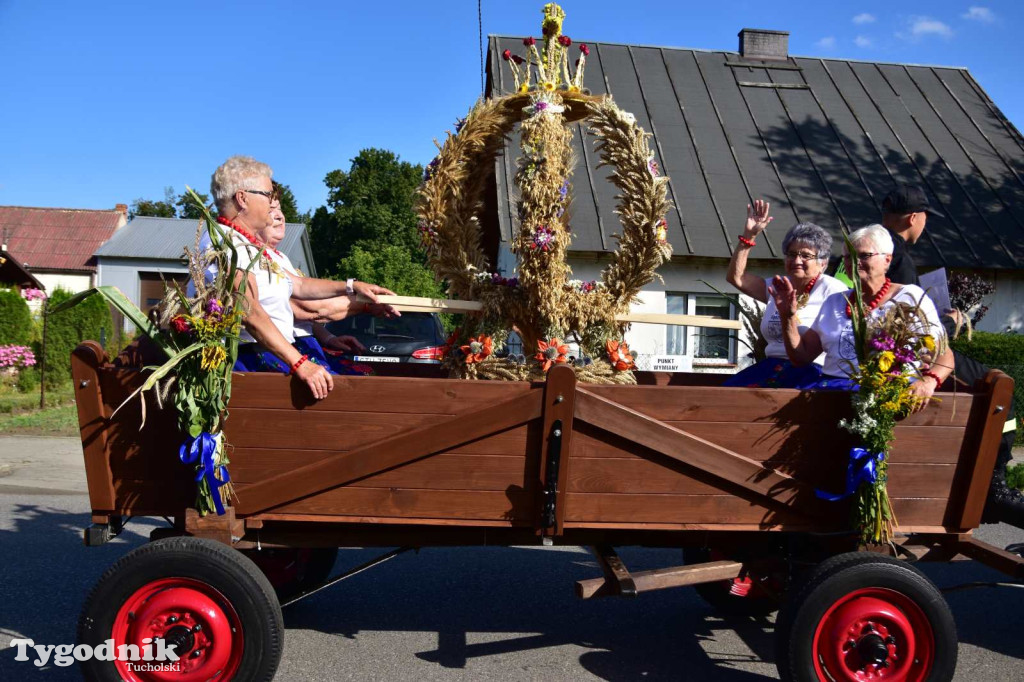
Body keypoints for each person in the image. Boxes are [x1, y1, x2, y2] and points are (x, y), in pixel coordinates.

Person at [880, 185, 1023, 530]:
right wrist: (950, 321)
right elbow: (907, 326)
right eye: (925, 218)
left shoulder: (862, 249)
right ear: (915, 217)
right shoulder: (897, 258)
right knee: (1000, 392)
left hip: (886, 353)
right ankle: (994, 486)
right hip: (908, 357)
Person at [202, 155, 393, 399]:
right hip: (250, 358)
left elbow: (299, 285)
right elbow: (250, 312)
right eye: (268, 195)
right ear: (242, 198)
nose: (273, 203)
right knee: (350, 392)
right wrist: (299, 363)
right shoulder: (226, 243)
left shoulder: (248, 246)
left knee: (361, 385)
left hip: (271, 352)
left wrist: (352, 286)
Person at [771, 224, 954, 412]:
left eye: (864, 255)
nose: (854, 262)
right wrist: (788, 316)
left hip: (889, 400)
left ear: (887, 260)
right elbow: (801, 357)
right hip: (830, 397)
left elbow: (944, 354)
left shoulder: (910, 297)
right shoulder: (835, 301)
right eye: (849, 257)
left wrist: (929, 381)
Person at [723, 200, 848, 388]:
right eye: (791, 254)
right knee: (724, 397)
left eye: (806, 255)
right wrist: (750, 235)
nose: (797, 260)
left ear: (823, 263)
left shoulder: (834, 291)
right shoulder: (778, 286)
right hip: (770, 367)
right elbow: (736, 277)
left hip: (811, 372)